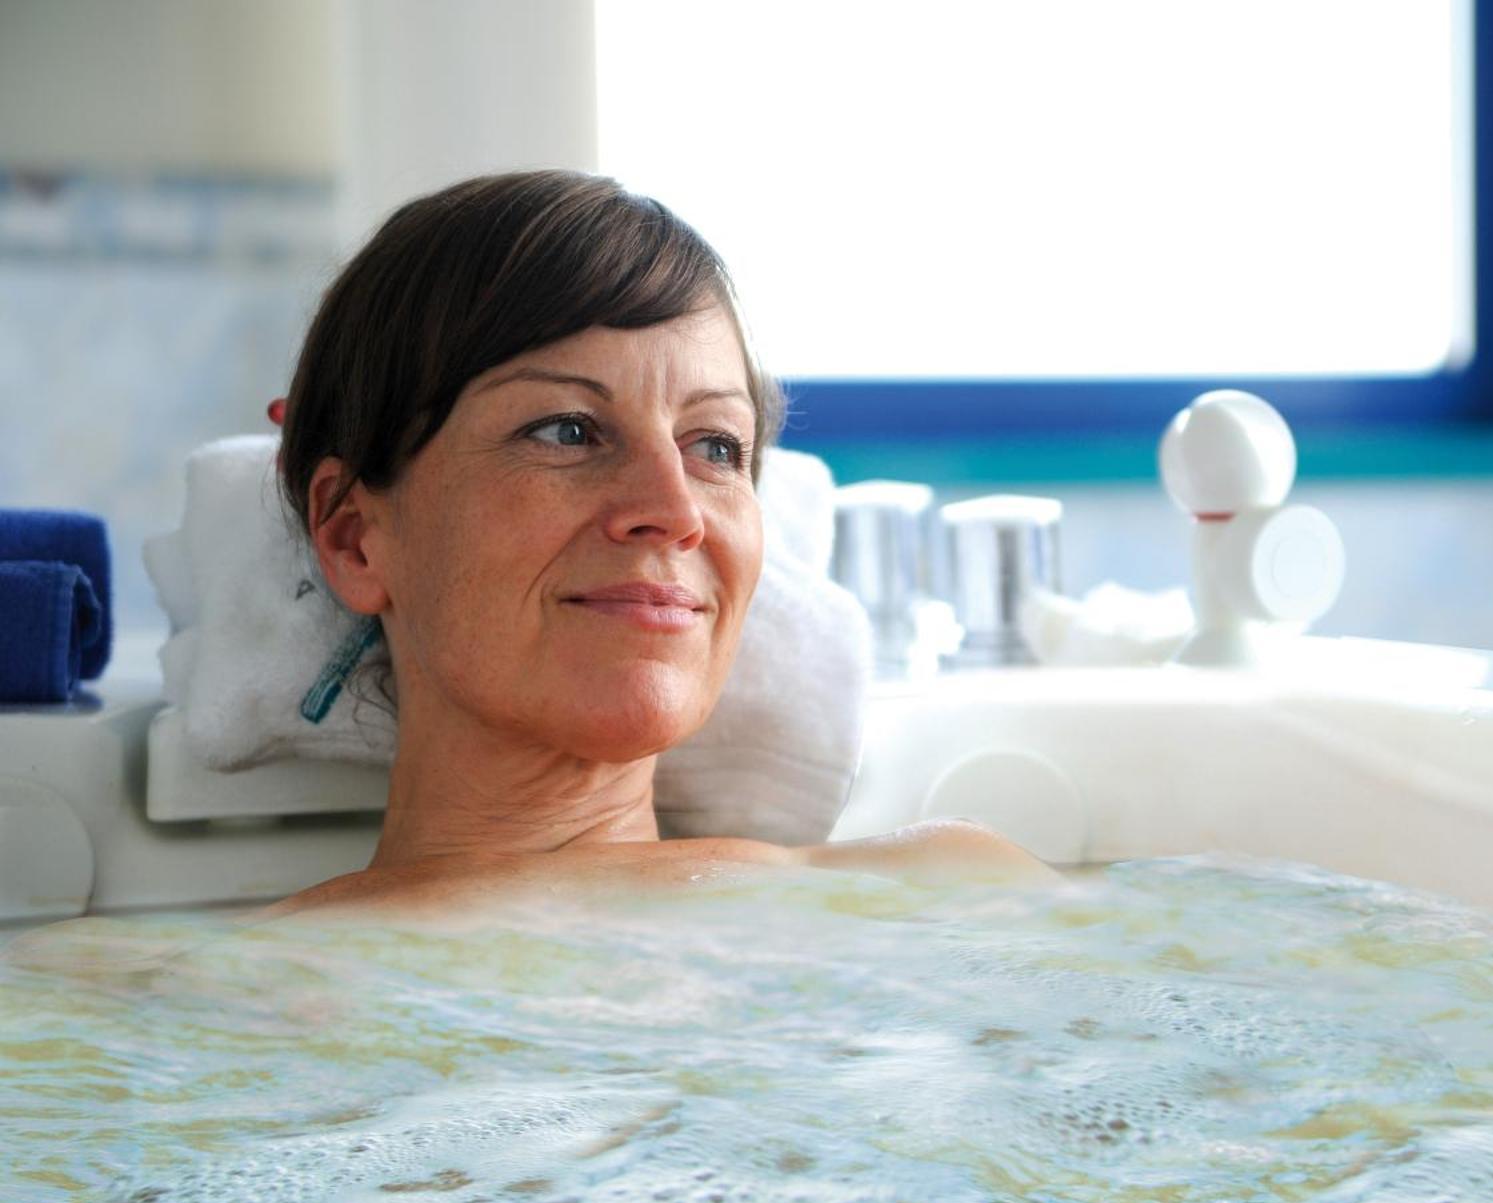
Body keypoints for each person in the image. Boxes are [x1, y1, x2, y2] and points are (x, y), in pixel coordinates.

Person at [263, 170, 1056, 916]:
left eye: (715, 446)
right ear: (354, 537)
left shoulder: (952, 899)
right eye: (566, 431)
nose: (676, 511)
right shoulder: (231, 994)